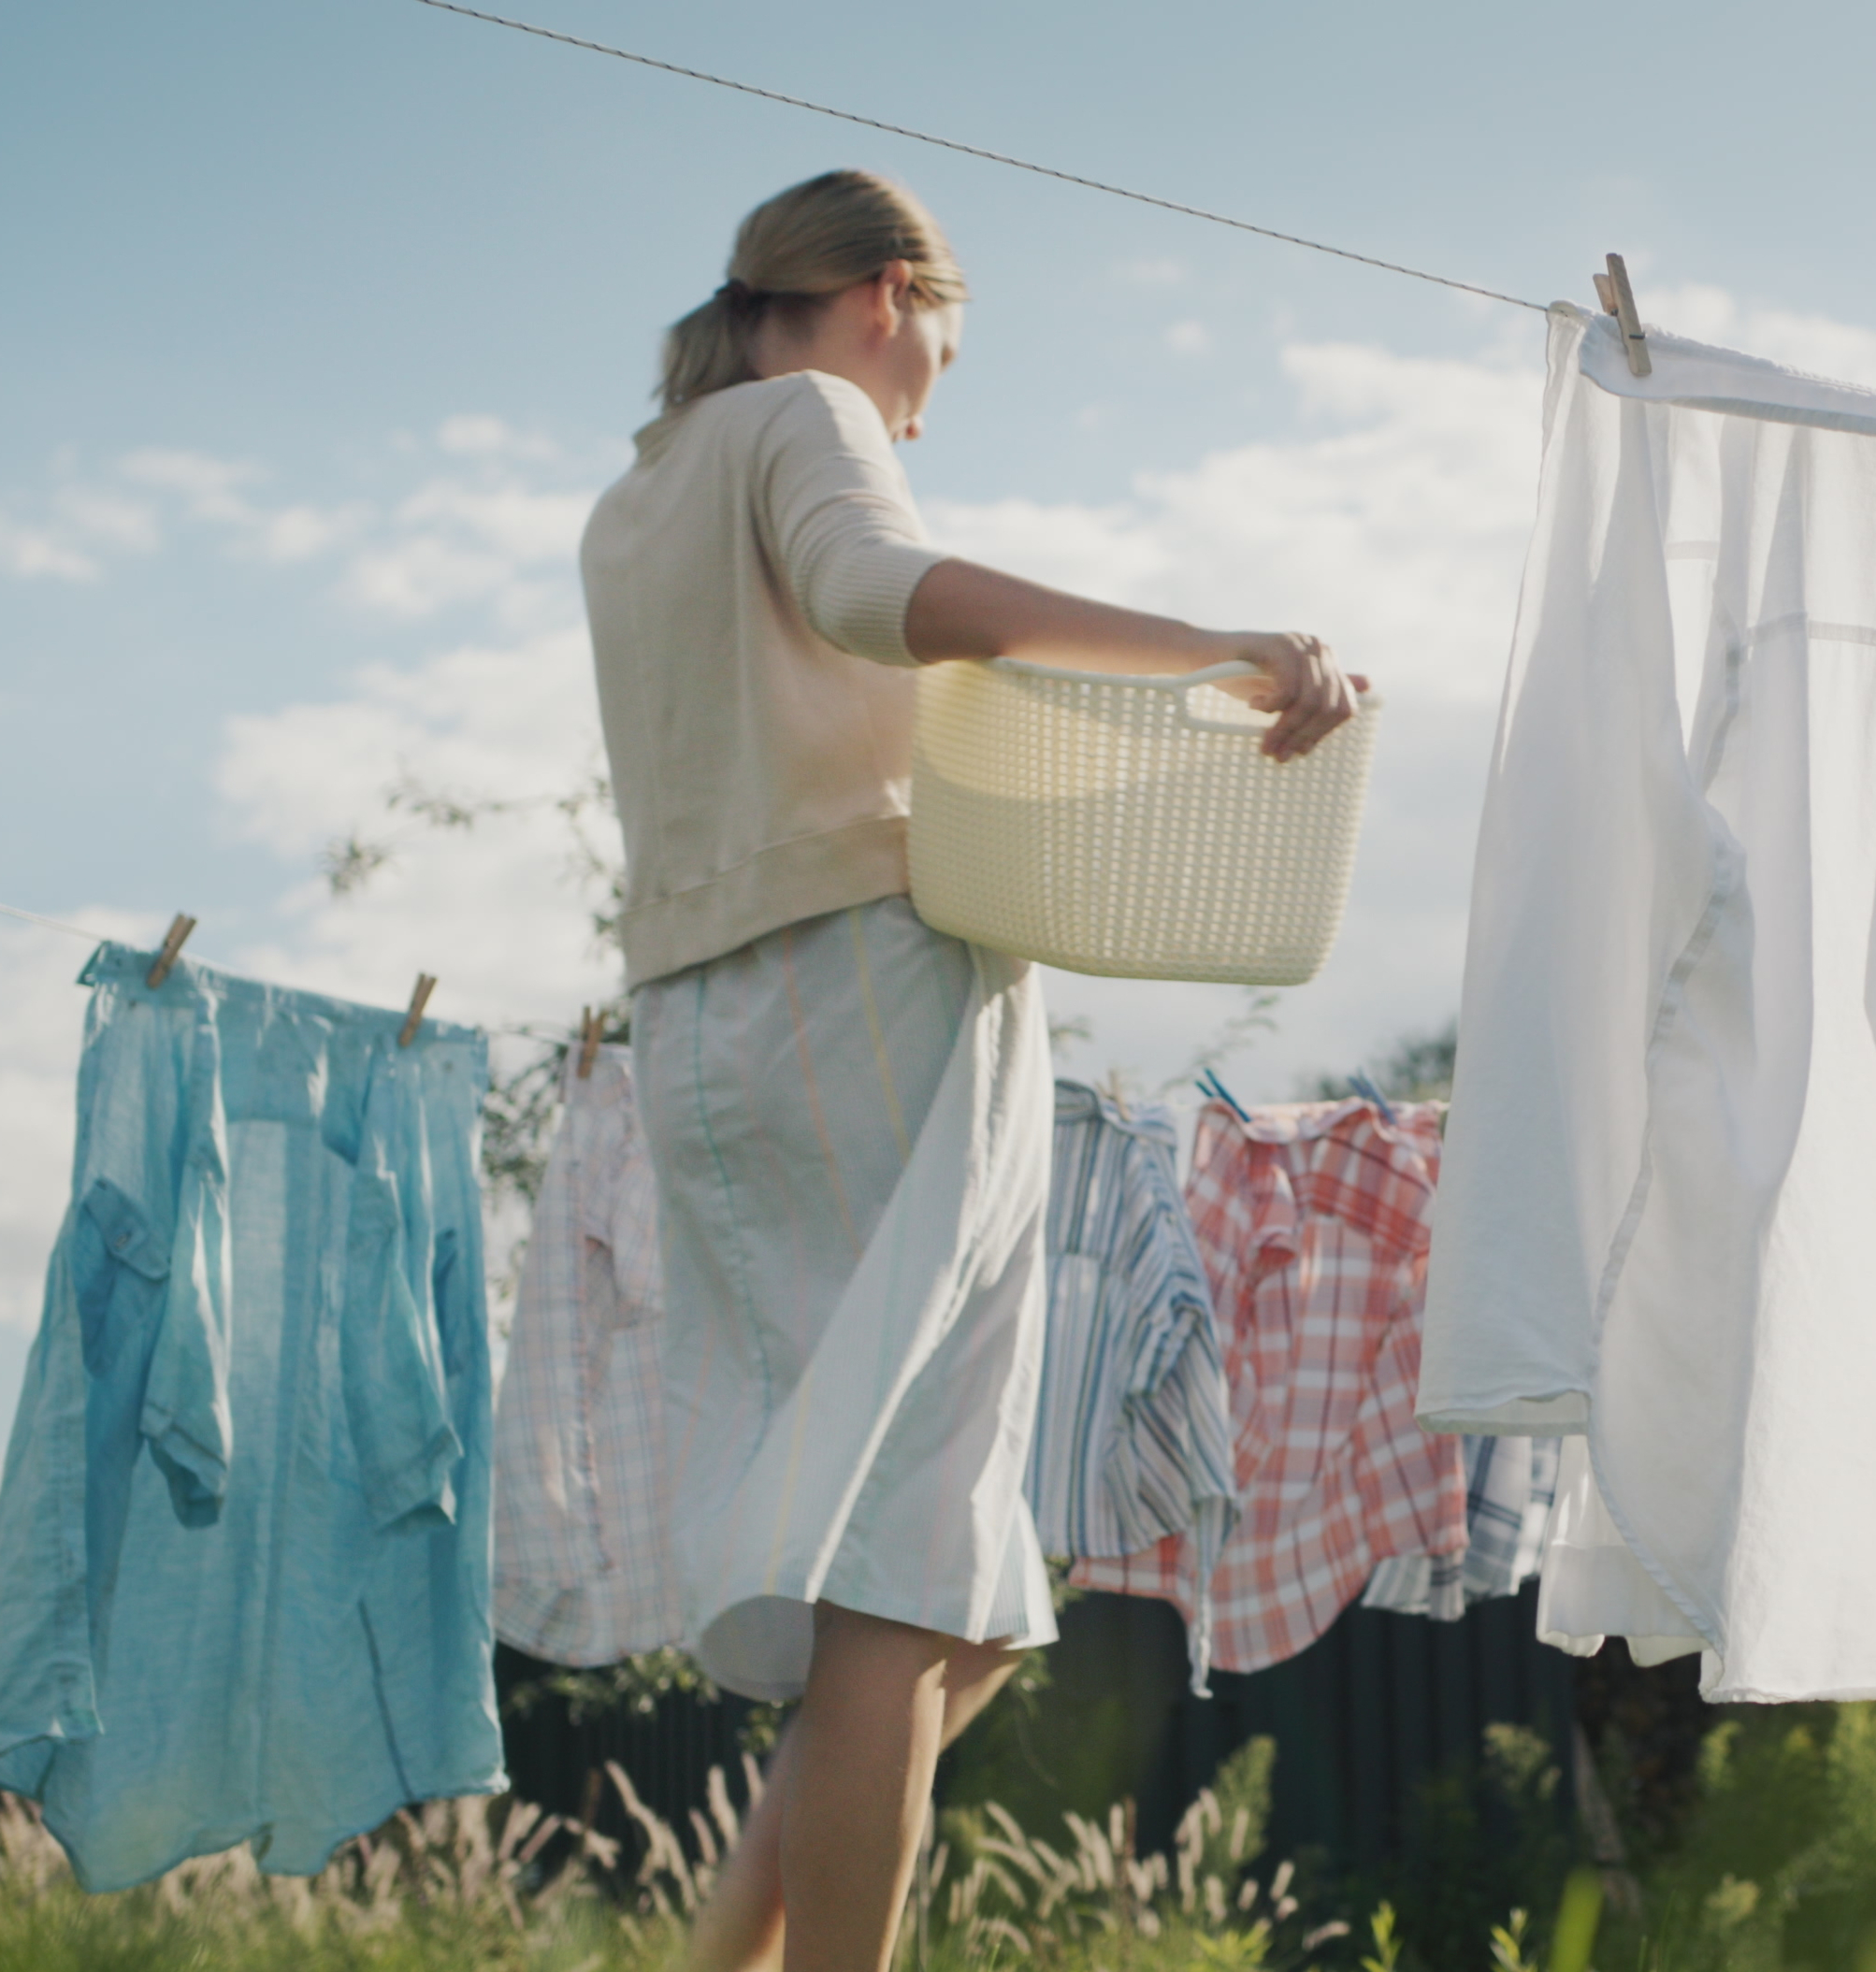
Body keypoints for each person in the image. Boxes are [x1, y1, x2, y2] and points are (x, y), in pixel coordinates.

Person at [578, 169, 1361, 1972]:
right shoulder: (810, 413)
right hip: (868, 1006)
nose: (929, 383)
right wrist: (1214, 651)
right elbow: (875, 591)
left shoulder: (640, 489)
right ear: (885, 291)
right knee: (911, 1579)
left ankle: (724, 1959)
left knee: (964, 1595)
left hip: (701, 1033)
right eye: (938, 338)